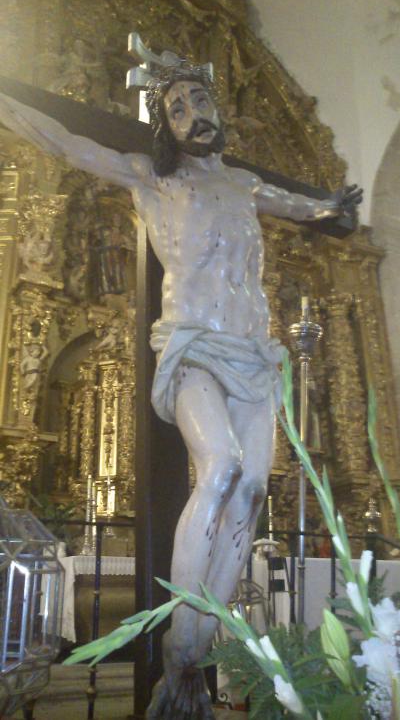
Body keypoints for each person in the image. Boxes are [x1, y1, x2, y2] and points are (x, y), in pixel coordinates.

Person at [0, 59, 362, 718]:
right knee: (220, 468)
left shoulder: (245, 183)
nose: (194, 113)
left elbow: (300, 205)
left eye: (200, 99)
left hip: (253, 351)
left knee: (251, 492)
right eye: (178, 108)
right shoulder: (153, 177)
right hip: (193, 344)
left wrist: (331, 207)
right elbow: (67, 142)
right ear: (164, 127)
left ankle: (194, 647)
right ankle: (177, 644)